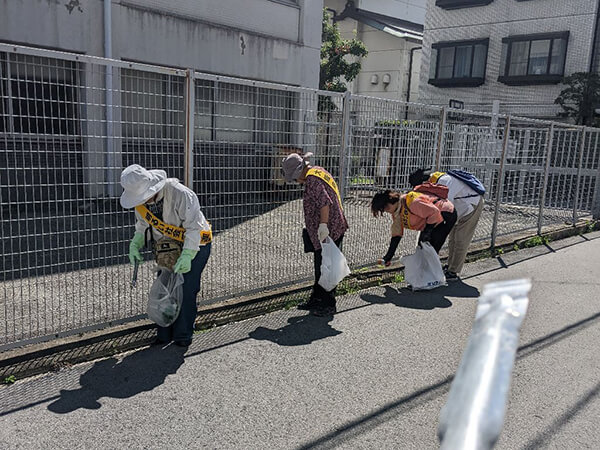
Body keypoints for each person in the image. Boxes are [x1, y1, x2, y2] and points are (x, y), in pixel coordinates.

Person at [120, 164, 212, 347]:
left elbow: (194, 227)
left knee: (185, 291)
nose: (143, 201)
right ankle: (164, 333)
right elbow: (142, 225)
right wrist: (136, 242)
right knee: (165, 289)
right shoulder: (141, 203)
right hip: (167, 249)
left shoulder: (180, 193)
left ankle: (183, 335)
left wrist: (187, 255)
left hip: (195, 246)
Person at [281, 151, 348, 316]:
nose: (296, 181)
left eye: (295, 178)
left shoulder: (312, 180)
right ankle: (316, 299)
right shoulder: (318, 171)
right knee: (321, 266)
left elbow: (324, 203)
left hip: (328, 230)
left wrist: (323, 226)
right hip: (331, 227)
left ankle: (327, 304)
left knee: (326, 268)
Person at [409, 168, 484, 280]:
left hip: (472, 204)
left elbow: (444, 206)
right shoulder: (435, 180)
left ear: (424, 182)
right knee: (452, 239)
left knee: (460, 240)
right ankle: (450, 267)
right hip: (460, 206)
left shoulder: (444, 182)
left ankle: (453, 272)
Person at [371, 188, 457, 266]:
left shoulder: (412, 202)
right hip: (430, 221)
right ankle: (426, 278)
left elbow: (434, 212)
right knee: (421, 250)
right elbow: (396, 235)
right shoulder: (396, 212)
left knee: (430, 251)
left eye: (385, 207)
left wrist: (427, 233)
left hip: (445, 214)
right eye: (383, 210)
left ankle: (432, 278)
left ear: (391, 200)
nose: (386, 211)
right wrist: (388, 256)